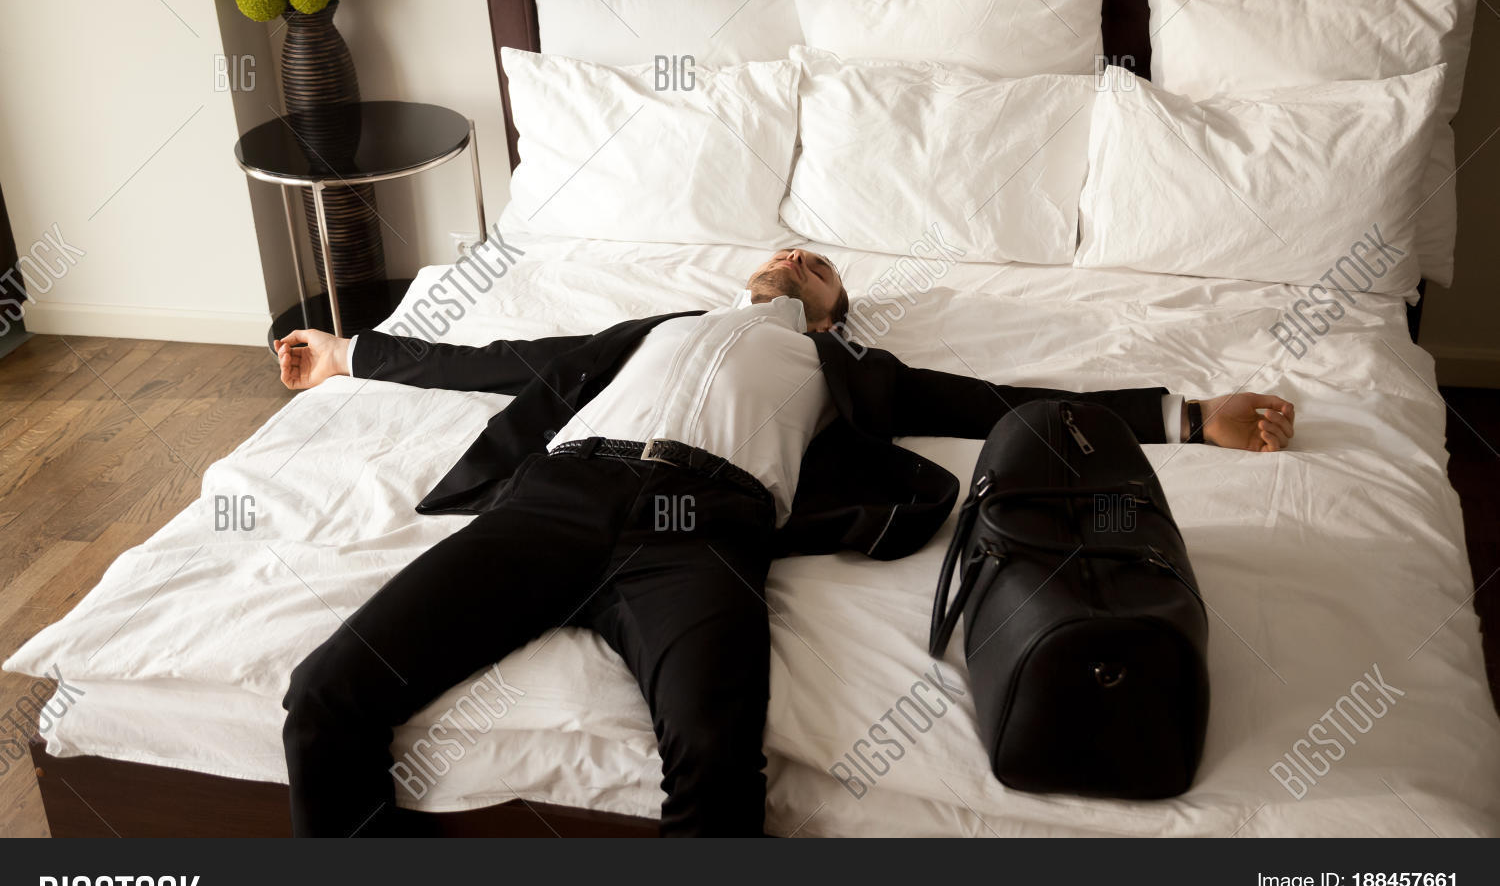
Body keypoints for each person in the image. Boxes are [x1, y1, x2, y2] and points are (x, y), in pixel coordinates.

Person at [275, 247, 1294, 836]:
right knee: (326, 692)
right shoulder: (651, 328)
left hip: (704, 534)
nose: (797, 258)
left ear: (830, 309)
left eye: (818, 267)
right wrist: (350, 353)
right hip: (558, 500)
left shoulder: (847, 370)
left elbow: (1000, 401)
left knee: (716, 766)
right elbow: (501, 360)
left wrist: (1187, 414)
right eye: (785, 252)